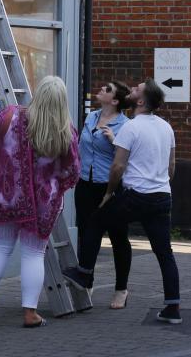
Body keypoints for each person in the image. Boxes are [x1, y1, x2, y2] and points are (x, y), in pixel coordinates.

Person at [0, 76, 80, 328]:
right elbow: (72, 171)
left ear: (37, 93)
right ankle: (29, 314)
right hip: (42, 204)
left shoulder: (9, 115)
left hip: (7, 196)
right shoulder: (65, 131)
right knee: (33, 254)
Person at [64, 79, 182, 324]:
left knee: (96, 223)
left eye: (137, 89)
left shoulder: (131, 127)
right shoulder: (166, 127)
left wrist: (109, 193)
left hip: (135, 195)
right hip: (162, 197)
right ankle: (173, 307)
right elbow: (171, 166)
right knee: (164, 252)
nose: (132, 90)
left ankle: (85, 274)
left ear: (140, 101)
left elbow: (118, 166)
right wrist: (161, 183)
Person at [63, 80, 132, 310]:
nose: (101, 89)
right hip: (85, 184)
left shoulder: (125, 125)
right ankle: (87, 282)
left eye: (107, 89)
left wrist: (114, 141)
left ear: (115, 101)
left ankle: (121, 289)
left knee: (117, 237)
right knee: (86, 233)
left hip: (110, 186)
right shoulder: (91, 117)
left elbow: (127, 159)